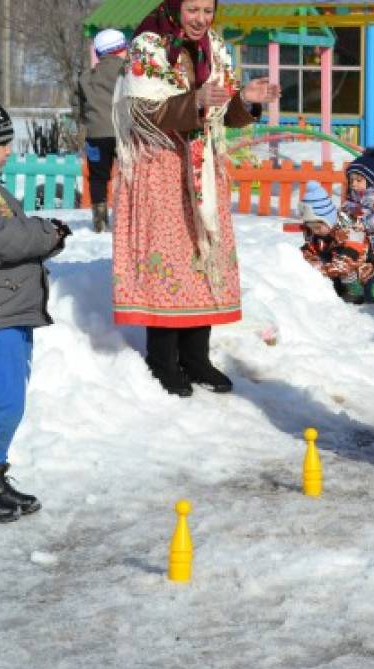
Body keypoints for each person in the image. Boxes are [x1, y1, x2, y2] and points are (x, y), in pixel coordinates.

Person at [112, 0, 280, 397]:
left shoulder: (214, 47)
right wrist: (197, 101)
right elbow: (140, 112)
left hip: (202, 165)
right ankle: (163, 359)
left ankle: (196, 357)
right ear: (175, 7)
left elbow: (225, 111)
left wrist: (247, 99)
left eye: (208, 10)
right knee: (170, 259)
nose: (201, 19)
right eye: (193, 9)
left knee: (203, 257)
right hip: (162, 169)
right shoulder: (148, 47)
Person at [0, 98, 70, 521]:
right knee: (2, 404)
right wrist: (46, 234)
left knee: (4, 402)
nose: (7, 150)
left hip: (9, 311)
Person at [78, 29, 128, 233]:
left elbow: (81, 107)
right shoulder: (128, 71)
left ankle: (99, 221)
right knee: (129, 174)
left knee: (98, 177)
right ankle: (128, 218)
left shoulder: (85, 77)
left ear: (98, 54)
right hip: (123, 133)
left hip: (96, 134)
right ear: (123, 49)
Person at [298, 181, 374, 303]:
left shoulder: (351, 229)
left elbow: (346, 261)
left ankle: (355, 293)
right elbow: (310, 249)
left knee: (347, 272)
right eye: (311, 227)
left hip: (360, 266)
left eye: (317, 227)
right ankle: (333, 288)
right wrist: (309, 264)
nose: (315, 231)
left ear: (328, 220)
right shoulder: (318, 233)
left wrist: (322, 271)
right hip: (333, 263)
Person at [341, 146, 374, 299]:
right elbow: (345, 214)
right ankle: (351, 286)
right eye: (351, 180)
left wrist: (362, 223)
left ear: (370, 180)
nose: (354, 184)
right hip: (359, 240)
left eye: (359, 180)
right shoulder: (354, 199)